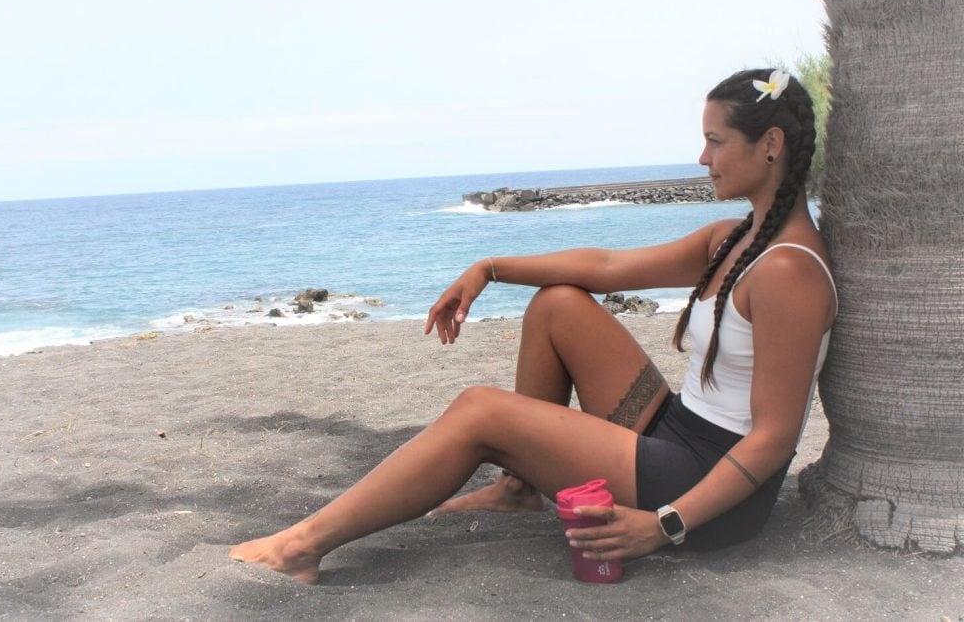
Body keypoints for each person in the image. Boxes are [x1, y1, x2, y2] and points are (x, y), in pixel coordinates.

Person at [228, 68, 837, 584]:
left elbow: (774, 439)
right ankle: (521, 488)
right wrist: (491, 268)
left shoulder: (788, 272)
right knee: (559, 304)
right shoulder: (734, 239)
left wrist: (665, 523)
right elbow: (605, 267)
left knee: (482, 411)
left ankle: (302, 546)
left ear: (771, 144)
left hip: (708, 491)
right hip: (680, 434)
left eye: (715, 141)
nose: (702, 158)